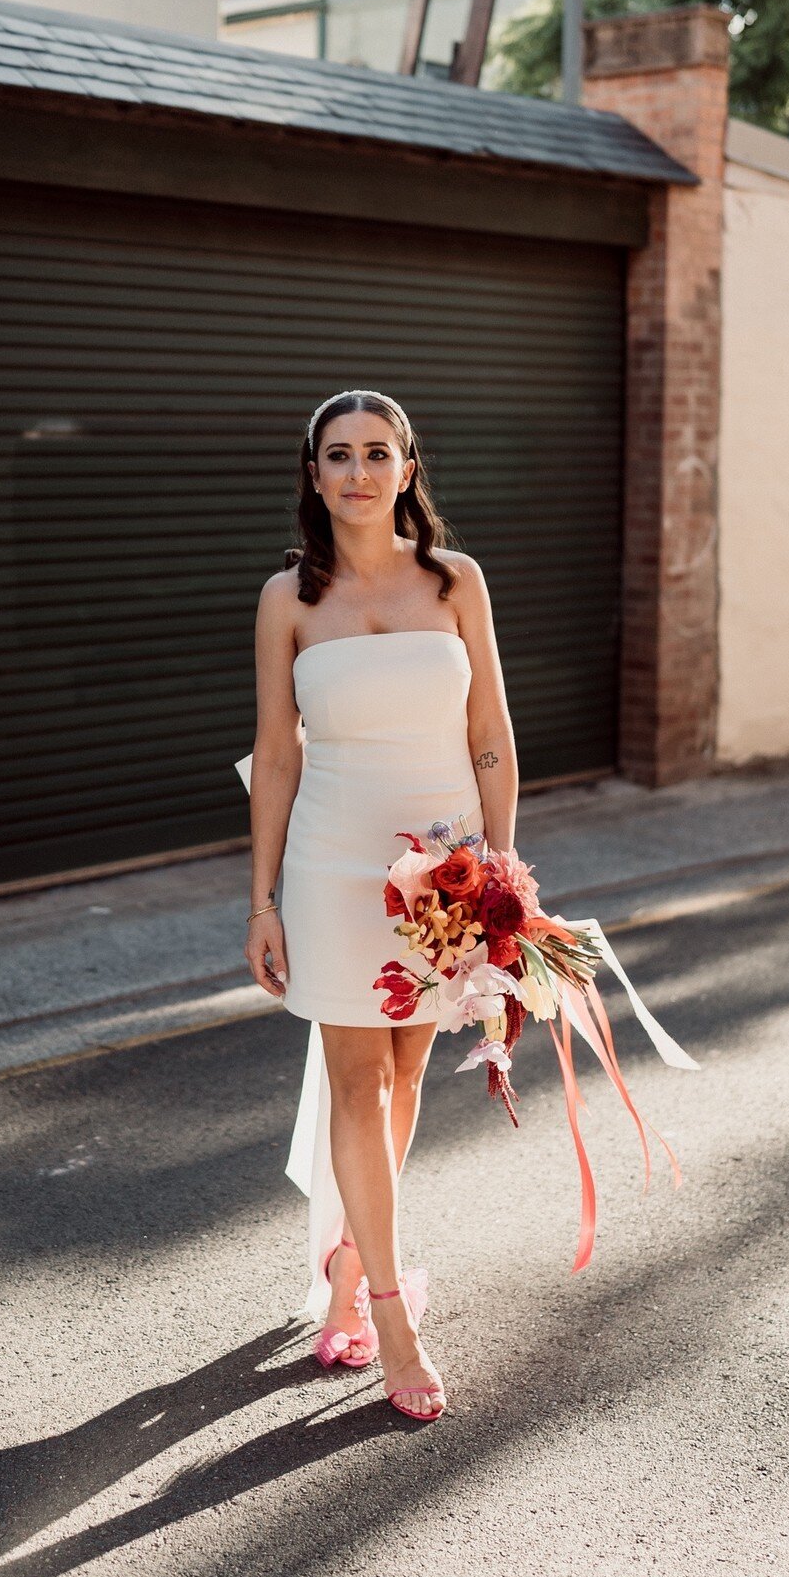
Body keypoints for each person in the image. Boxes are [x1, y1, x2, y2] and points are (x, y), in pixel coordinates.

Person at [241, 389, 518, 1424]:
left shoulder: (456, 583)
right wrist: (263, 900)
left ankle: (357, 1253)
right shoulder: (289, 600)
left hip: (442, 867)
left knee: (406, 1077)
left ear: (408, 469)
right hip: (332, 864)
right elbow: (276, 756)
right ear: (313, 476)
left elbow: (489, 728)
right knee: (359, 1081)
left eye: (377, 453)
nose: (358, 471)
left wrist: (501, 870)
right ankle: (390, 1314)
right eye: (337, 455)